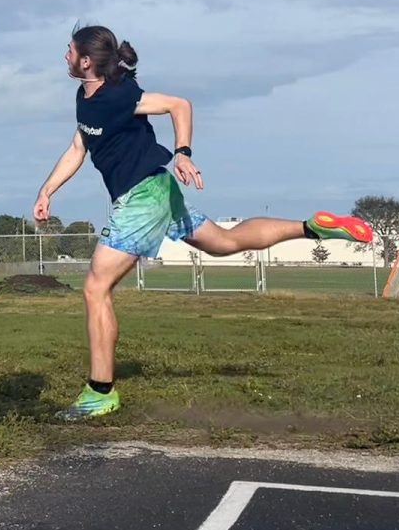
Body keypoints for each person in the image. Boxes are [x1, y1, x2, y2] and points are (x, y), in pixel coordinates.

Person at [32, 25, 373, 421]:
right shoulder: (85, 98)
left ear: (86, 61)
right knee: (224, 242)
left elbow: (179, 104)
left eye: (69, 51)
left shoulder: (121, 95)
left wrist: (183, 153)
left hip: (144, 195)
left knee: (95, 287)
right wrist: (47, 190)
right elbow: (79, 146)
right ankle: (312, 227)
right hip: (156, 193)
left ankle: (100, 392)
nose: (65, 57)